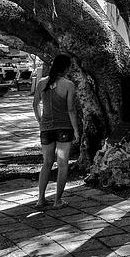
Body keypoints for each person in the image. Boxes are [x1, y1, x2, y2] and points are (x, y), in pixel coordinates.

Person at [32, 54, 79, 208]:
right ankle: (58, 201)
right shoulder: (68, 84)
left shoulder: (41, 83)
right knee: (63, 163)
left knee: (46, 163)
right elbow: (71, 109)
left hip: (46, 129)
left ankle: (40, 199)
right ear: (65, 68)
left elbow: (35, 105)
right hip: (64, 128)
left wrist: (40, 121)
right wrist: (76, 130)